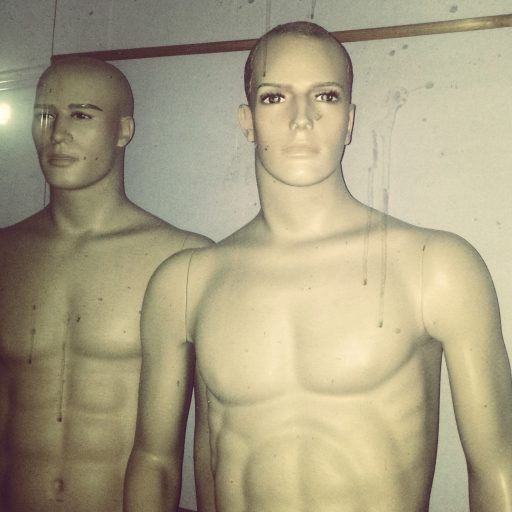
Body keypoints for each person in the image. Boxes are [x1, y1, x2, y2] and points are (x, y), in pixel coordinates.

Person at [124, 21, 512, 512]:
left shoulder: (435, 268)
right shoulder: (186, 282)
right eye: (274, 98)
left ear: (349, 120)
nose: (301, 119)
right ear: (247, 121)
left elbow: (498, 468)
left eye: (325, 96)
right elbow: (154, 463)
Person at [0, 57, 210, 512]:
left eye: (81, 115)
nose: (57, 133)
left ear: (123, 130)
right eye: (44, 115)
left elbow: (179, 453)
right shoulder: (5, 254)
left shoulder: (182, 257)